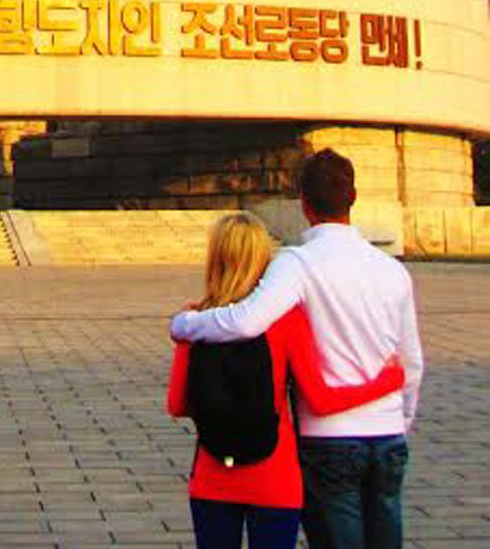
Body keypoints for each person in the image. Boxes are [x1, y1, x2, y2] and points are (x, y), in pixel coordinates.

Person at [171, 151, 424, 549]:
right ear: (353, 197)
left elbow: (246, 321)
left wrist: (186, 324)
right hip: (387, 435)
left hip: (329, 440)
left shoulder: (297, 263)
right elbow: (412, 362)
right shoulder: (393, 270)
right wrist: (399, 416)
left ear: (304, 203)